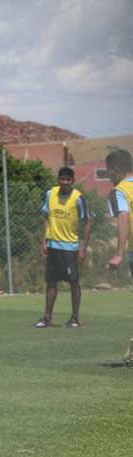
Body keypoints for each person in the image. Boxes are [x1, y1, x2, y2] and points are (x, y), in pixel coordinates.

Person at [36, 167, 91, 328]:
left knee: (73, 282)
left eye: (68, 179)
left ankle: (74, 318)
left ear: (72, 181)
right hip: (53, 245)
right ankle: (47, 318)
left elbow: (87, 221)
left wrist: (83, 247)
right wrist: (44, 241)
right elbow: (46, 217)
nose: (65, 182)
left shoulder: (78, 198)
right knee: (51, 282)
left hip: (70, 248)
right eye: (62, 179)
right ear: (58, 179)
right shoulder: (50, 194)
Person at [105, 149, 133, 366]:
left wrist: (119, 252)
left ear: (115, 170)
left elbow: (123, 217)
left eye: (108, 172)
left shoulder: (120, 190)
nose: (108, 176)